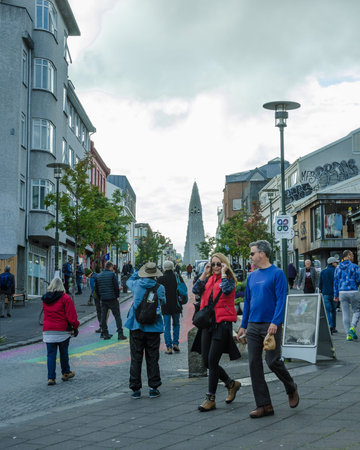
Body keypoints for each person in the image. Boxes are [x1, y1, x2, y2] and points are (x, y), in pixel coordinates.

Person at [237, 240, 299, 418]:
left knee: (272, 361)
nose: (250, 256)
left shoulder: (277, 274)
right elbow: (247, 302)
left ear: (262, 254)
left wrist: (275, 321)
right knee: (253, 364)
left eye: (252, 253)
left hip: (271, 324)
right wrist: (243, 325)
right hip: (254, 325)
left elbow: (281, 299)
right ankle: (264, 405)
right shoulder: (252, 276)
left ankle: (290, 386)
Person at [192, 253, 241, 412]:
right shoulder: (208, 279)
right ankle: (231, 384)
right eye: (212, 264)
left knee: (212, 360)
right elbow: (195, 289)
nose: (215, 267)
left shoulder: (229, 281)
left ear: (224, 265)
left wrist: (225, 273)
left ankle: (210, 398)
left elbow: (227, 291)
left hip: (222, 324)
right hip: (208, 324)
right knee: (206, 361)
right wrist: (204, 273)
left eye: (218, 264)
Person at [125, 262, 166, 399]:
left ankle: (135, 389)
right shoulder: (160, 288)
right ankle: (153, 387)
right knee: (153, 357)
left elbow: (129, 280)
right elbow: (163, 302)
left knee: (136, 357)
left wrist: (137, 272)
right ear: (155, 274)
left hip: (136, 326)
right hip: (153, 327)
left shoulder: (136, 285)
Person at [42, 277, 79, 386]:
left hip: (48, 331)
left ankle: (51, 378)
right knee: (64, 353)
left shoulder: (45, 299)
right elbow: (71, 316)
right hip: (62, 330)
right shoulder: (65, 298)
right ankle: (66, 372)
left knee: (50, 355)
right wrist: (75, 326)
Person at [95, 261, 127, 340]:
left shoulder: (98, 276)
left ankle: (105, 333)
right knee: (117, 316)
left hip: (103, 299)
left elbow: (96, 289)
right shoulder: (112, 275)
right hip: (112, 298)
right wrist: (117, 296)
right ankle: (120, 334)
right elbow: (116, 287)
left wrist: (100, 297)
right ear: (111, 267)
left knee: (103, 316)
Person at [334, 250, 360, 341]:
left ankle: (348, 334)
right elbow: (358, 279)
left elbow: (335, 282)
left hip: (342, 292)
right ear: (348, 256)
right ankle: (352, 327)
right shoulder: (355, 266)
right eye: (352, 255)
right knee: (357, 310)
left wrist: (335, 295)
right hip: (353, 291)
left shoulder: (337, 268)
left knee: (345, 313)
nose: (353, 257)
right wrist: (355, 284)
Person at [158, 261, 182, 354]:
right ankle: (176, 344)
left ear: (164, 268)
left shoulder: (161, 279)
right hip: (176, 304)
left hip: (165, 305)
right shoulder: (177, 277)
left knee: (166, 326)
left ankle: (169, 347)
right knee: (176, 324)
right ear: (172, 267)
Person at [319, 257, 339, 334]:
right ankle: (333, 327)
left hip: (325, 293)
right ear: (332, 263)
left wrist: (321, 290)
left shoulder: (323, 272)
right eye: (336, 262)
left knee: (327, 310)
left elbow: (320, 284)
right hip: (334, 294)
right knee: (333, 310)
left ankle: (329, 325)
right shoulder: (336, 271)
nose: (337, 264)